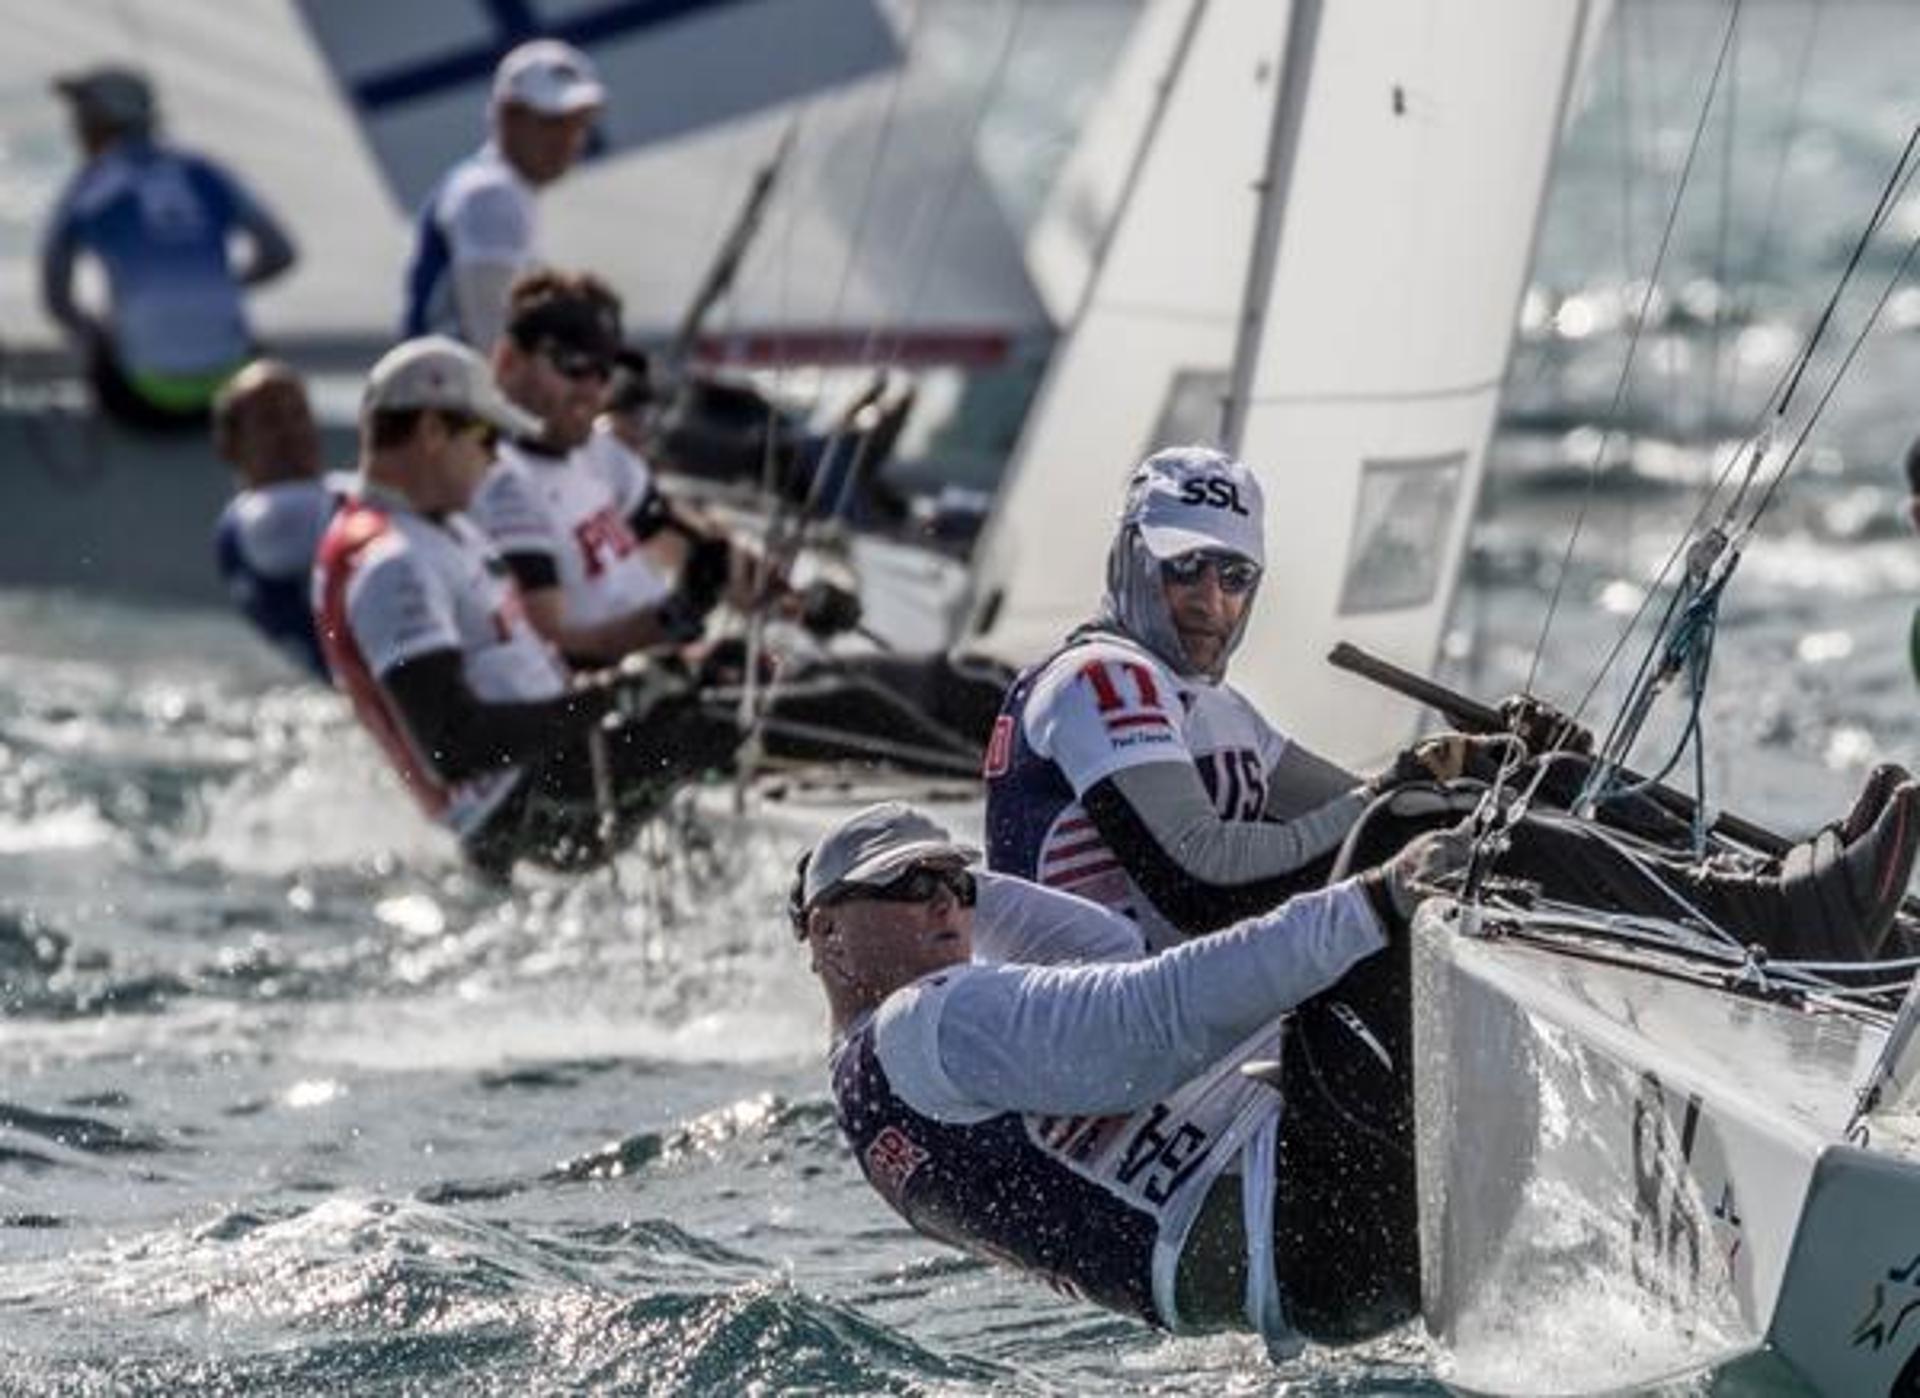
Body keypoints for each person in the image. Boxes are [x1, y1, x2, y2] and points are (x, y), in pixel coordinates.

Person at [984, 444, 1919, 961]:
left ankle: (1817, 910)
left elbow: (1359, 798)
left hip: (1201, 984)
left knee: (1529, 781)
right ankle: (1790, 926)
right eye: (1183, 567)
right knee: (1475, 834)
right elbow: (1204, 879)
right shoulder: (1102, 678)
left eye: (1234, 574)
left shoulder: (1208, 707)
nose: (1209, 599)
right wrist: (1429, 787)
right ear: (1128, 559)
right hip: (1126, 1005)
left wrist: (1480, 755)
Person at [470, 268, 1010, 776]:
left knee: (958, 684)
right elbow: (554, 643)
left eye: (604, 368)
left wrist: (798, 602)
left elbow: (694, 551)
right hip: (638, 722)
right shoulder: (501, 482)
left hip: (699, 681)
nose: (593, 386)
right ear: (508, 361)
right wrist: (672, 620)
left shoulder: (600, 458)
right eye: (571, 363)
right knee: (878, 713)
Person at [312, 336, 736, 878]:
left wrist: (644, 672)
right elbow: (451, 747)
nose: (497, 460)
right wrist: (617, 695)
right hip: (524, 812)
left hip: (546, 778)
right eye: (487, 438)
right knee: (738, 712)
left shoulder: (434, 526)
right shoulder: (390, 563)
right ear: (432, 433)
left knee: (727, 672)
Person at [39, 66, 297, 432]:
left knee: (106, 339)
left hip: (145, 398)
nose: (75, 127)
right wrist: (226, 284)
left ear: (101, 122)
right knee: (244, 342)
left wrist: (94, 333)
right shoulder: (205, 172)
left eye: (82, 115)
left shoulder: (87, 188)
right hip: (233, 386)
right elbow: (281, 255)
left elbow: (57, 300)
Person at [401, 40, 604, 349]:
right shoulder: (492, 194)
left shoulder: (493, 187)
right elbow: (495, 342)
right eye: (552, 122)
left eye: (577, 124)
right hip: (451, 391)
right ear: (508, 116)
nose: (568, 139)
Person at [211, 360, 340, 679]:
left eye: (299, 414)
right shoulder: (268, 520)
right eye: (270, 420)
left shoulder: (233, 523)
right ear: (230, 445)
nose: (292, 431)